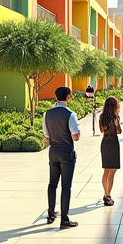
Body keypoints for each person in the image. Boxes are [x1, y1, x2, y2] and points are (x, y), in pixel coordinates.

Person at [44, 86, 80, 228]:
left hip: (53, 151)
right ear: (67, 97)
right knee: (66, 185)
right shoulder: (70, 114)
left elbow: (46, 134)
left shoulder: (48, 113)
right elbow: (75, 136)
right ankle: (64, 218)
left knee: (52, 183)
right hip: (66, 152)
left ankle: (51, 212)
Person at [99, 95, 122, 206]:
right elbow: (118, 131)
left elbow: (102, 130)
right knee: (112, 171)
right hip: (113, 142)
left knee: (106, 170)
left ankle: (105, 193)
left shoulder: (102, 117)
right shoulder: (115, 117)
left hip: (105, 142)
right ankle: (108, 196)